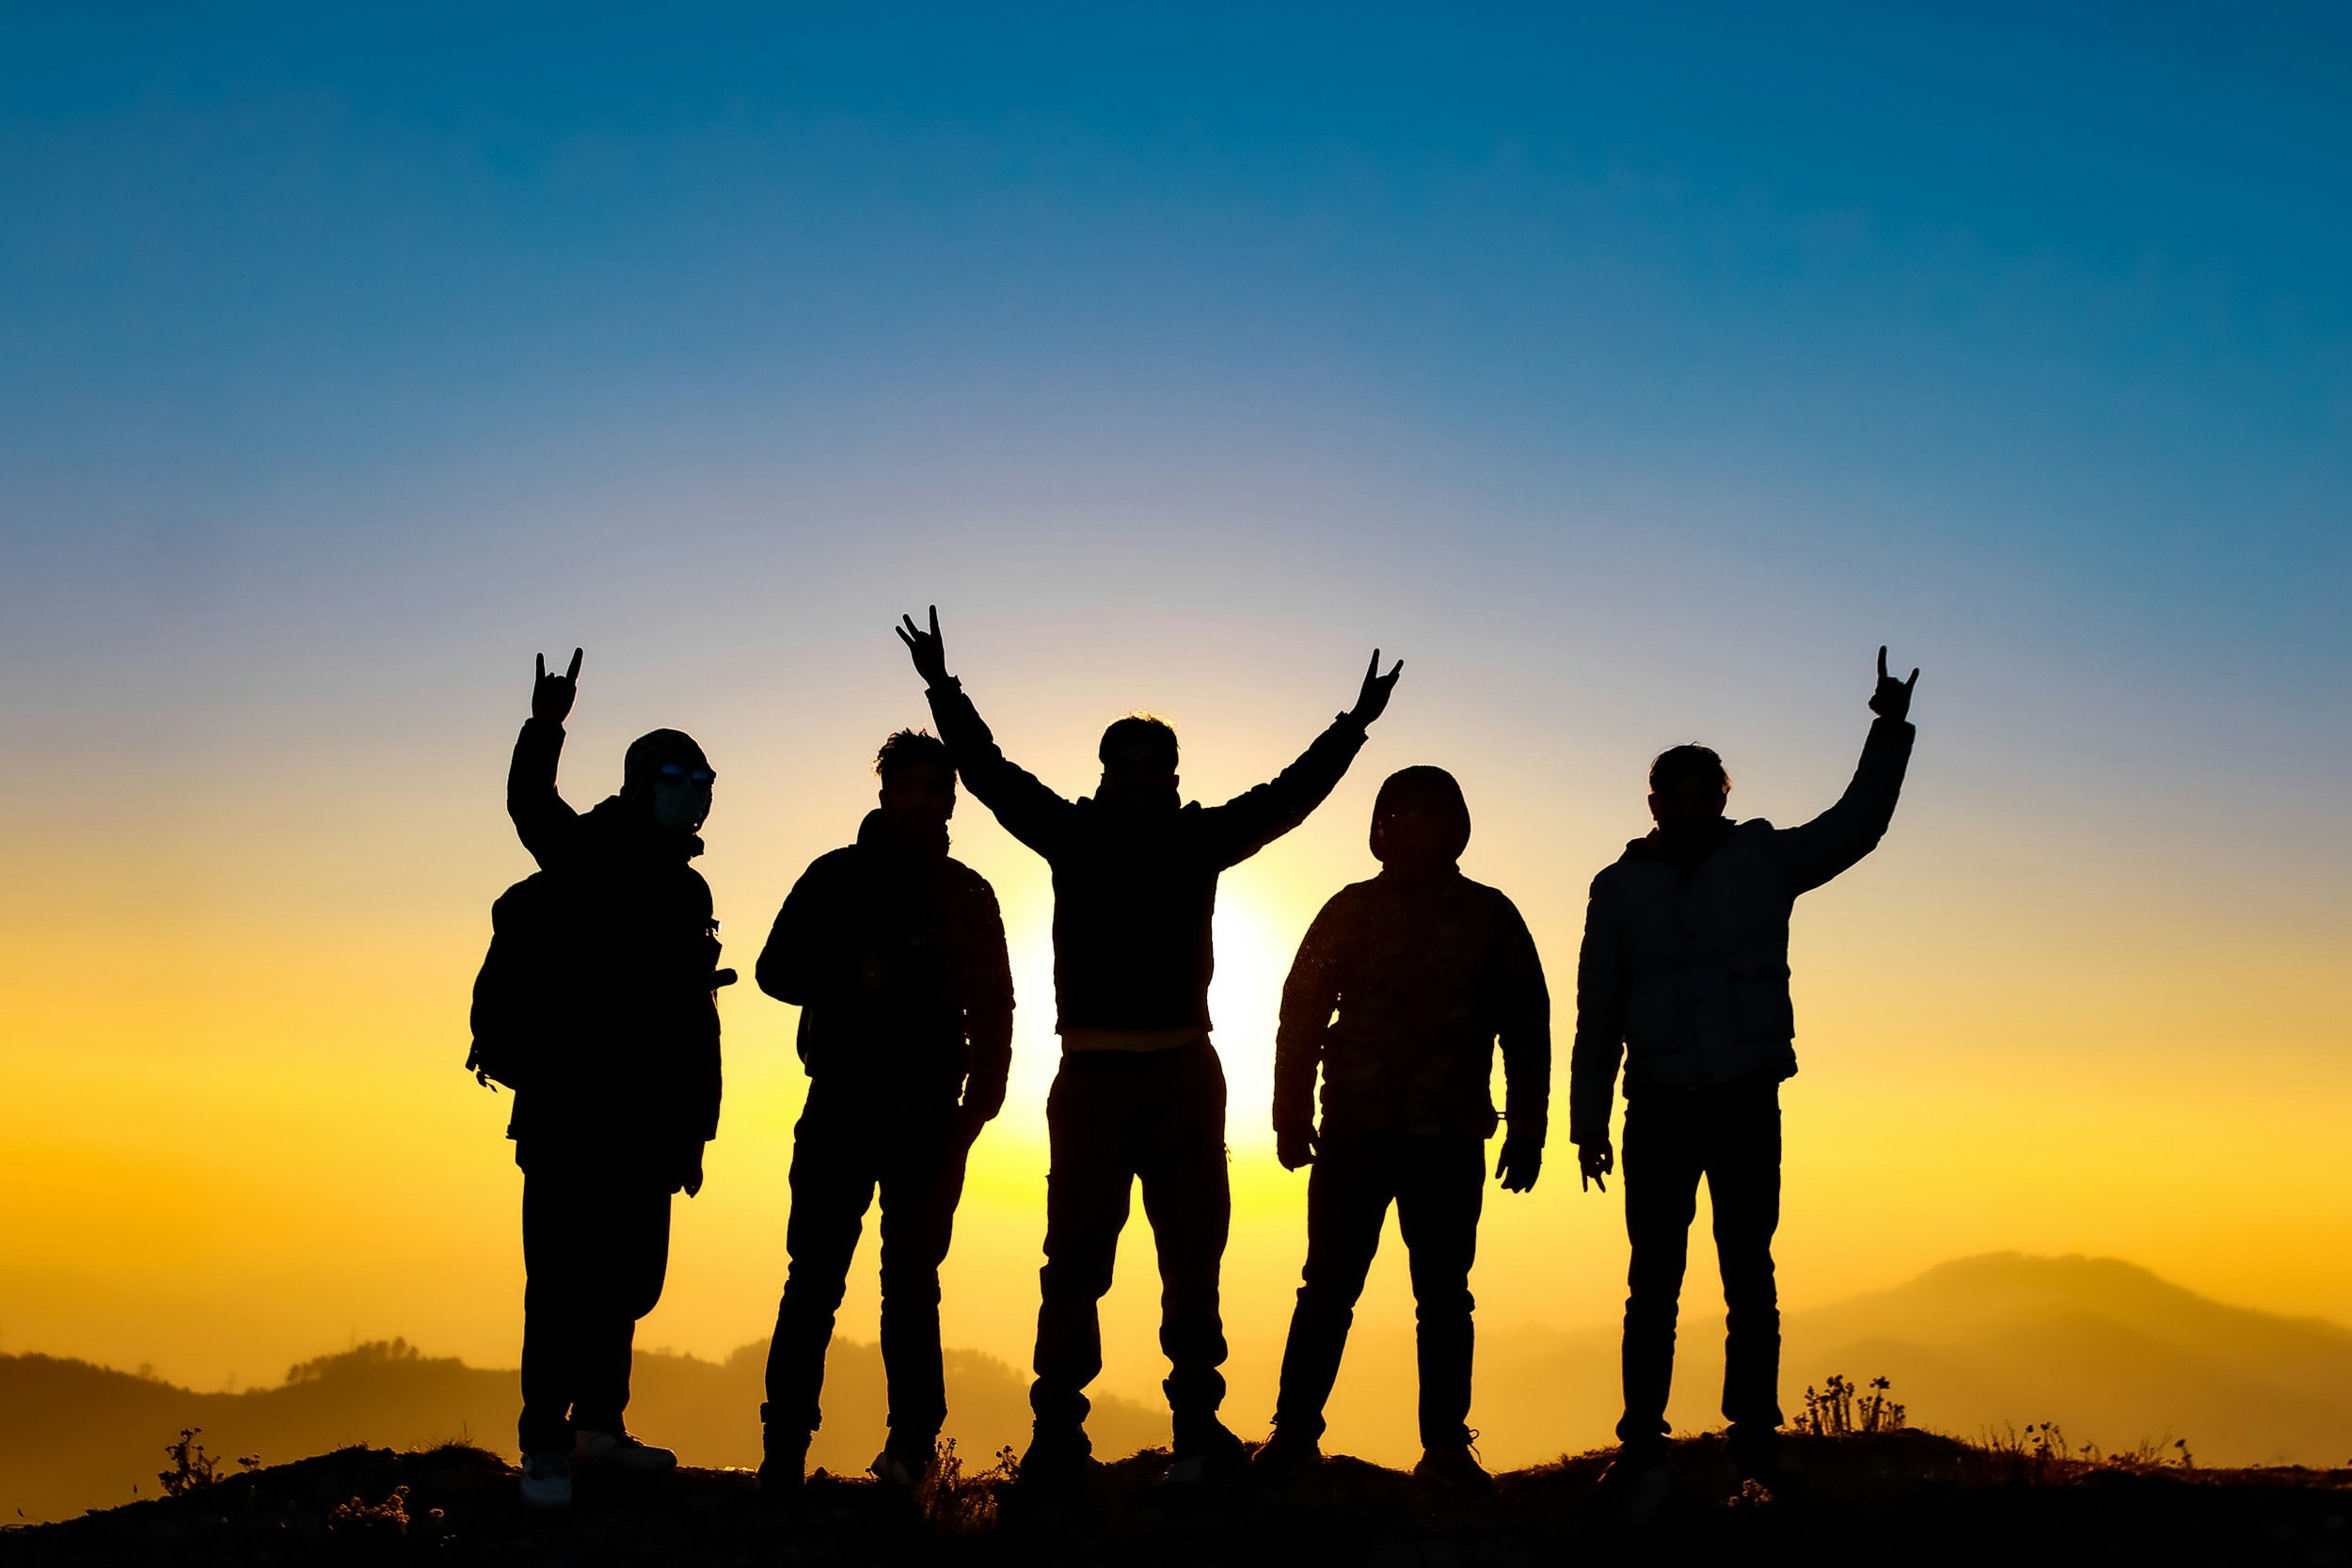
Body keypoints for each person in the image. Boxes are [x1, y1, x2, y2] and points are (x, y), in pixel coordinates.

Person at [894, 607, 1401, 1487]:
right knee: (1075, 1261)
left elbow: (1289, 798)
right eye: (1122, 767)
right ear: (1105, 773)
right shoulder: (1073, 833)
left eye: (1149, 767)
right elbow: (990, 773)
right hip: (1093, 1075)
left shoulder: (1197, 839)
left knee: (1191, 1260)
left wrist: (1352, 726)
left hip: (1181, 1073)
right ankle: (1058, 1435)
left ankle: (1196, 1429)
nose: (1135, 779)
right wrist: (942, 686)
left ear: (1170, 775)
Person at [1573, 648, 1919, 1503]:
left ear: (1723, 797)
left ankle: (1754, 1441)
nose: (1695, 807)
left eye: (1708, 794)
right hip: (1658, 1102)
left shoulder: (1764, 859)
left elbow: (1857, 826)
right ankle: (1643, 1442)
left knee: (1747, 1272)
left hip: (1742, 1096)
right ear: (1654, 803)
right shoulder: (1616, 889)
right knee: (1653, 1280)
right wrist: (1586, 1119)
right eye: (1680, 796)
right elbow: (1598, 1009)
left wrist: (1887, 729)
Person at [1256, 767, 1549, 1491]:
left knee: (1444, 1294)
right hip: (1353, 1131)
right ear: (1383, 826)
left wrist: (1528, 1127)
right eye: (1403, 812)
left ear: (1455, 826)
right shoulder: (1350, 909)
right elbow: (1300, 1012)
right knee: (1327, 1286)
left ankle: (1445, 1449)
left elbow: (1527, 1027)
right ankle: (1293, 1435)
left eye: (1431, 813)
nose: (1416, 825)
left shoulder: (1489, 915)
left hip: (1449, 1136)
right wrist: (1290, 1113)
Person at [753, 729, 1014, 1492]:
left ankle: (912, 1450)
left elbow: (996, 1004)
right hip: (841, 1100)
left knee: (911, 1283)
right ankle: (784, 1450)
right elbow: (773, 970)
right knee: (816, 1278)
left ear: (951, 801)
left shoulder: (969, 893)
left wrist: (979, 1105)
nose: (924, 801)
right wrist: (852, 970)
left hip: (930, 1115)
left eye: (937, 789)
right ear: (885, 791)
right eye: (911, 786)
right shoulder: (834, 876)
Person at [501, 649, 726, 1509]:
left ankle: (599, 1426)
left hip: (649, 1121)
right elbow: (531, 806)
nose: (692, 790)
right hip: (568, 1110)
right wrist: (545, 726)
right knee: (561, 1280)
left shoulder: (688, 889)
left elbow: (694, 1018)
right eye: (676, 776)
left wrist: (694, 1128)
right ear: (639, 782)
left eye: (701, 778)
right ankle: (544, 1444)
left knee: (627, 1282)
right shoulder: (587, 852)